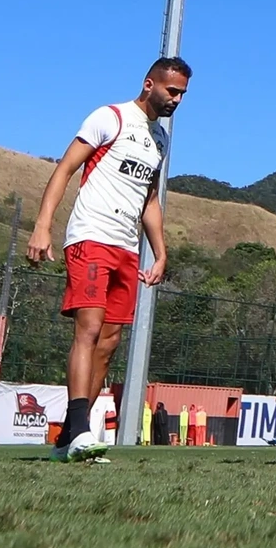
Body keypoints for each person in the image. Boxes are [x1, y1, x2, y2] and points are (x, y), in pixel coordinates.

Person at [28, 56, 192, 463]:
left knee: (110, 341)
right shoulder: (110, 117)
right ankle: (83, 429)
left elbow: (149, 198)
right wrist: (42, 226)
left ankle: (69, 438)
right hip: (91, 237)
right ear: (149, 83)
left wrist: (161, 251)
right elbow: (65, 169)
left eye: (183, 95)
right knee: (89, 328)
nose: (177, 100)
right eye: (172, 91)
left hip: (126, 246)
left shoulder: (160, 139)